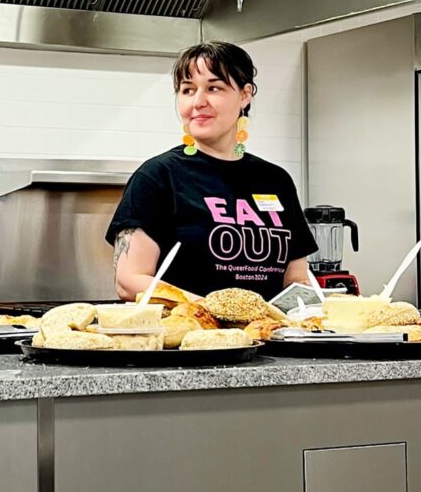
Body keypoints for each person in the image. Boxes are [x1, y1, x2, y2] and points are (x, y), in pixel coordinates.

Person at [107, 41, 317, 302]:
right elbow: (130, 280)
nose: (198, 101)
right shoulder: (157, 176)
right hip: (187, 338)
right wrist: (212, 310)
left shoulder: (275, 181)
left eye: (213, 88)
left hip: (265, 338)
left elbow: (296, 279)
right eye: (187, 90)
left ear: (245, 94)